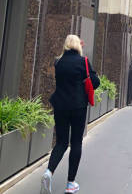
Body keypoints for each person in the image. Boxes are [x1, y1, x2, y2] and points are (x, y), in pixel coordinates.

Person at [41, 34, 100, 194]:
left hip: (60, 106)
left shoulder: (58, 61)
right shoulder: (83, 61)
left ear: (66, 45)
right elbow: (96, 82)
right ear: (78, 45)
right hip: (78, 106)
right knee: (76, 143)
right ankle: (70, 184)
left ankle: (48, 172)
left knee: (61, 142)